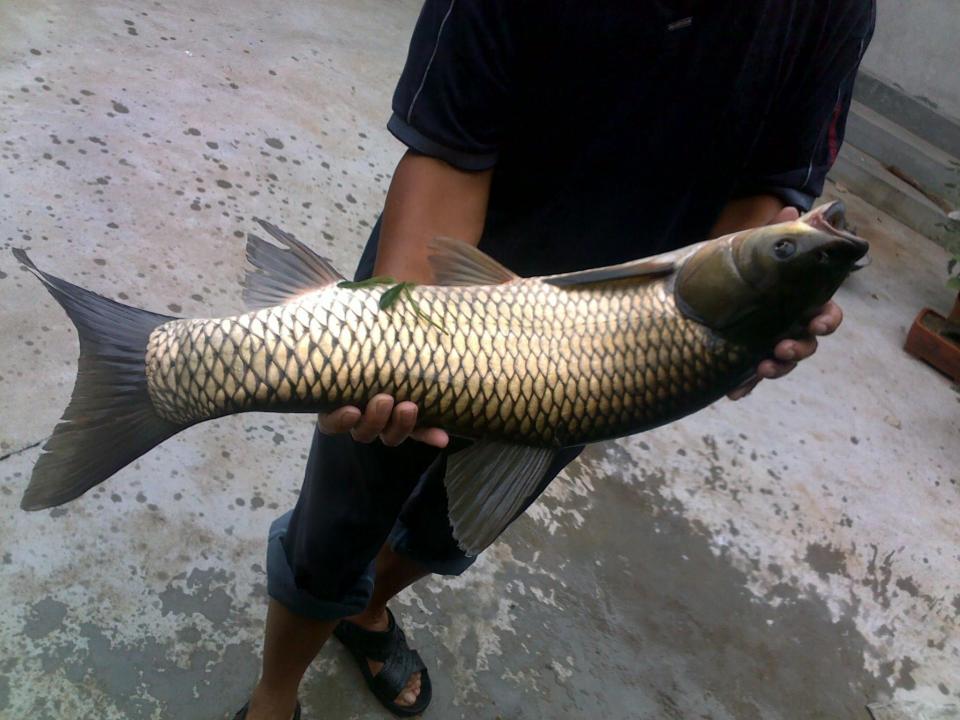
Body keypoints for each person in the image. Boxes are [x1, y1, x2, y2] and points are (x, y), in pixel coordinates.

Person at [235, 1, 875, 717]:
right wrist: (391, 353)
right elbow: (449, 153)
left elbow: (770, 186)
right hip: (446, 275)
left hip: (618, 349)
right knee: (339, 519)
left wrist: (762, 300)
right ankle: (275, 692)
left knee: (459, 524)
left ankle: (367, 607)